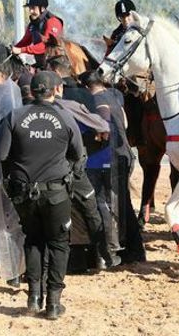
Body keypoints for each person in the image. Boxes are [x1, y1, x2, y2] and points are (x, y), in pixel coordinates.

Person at [0, 71, 84, 320]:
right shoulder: (65, 117)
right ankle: (54, 303)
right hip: (56, 192)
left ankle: (34, 296)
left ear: (31, 91)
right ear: (55, 90)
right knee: (58, 244)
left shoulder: (14, 116)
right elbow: (77, 153)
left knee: (33, 240)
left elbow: (1, 155)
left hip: (24, 193)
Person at [48, 55, 120, 269]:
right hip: (85, 162)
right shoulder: (85, 97)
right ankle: (103, 255)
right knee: (92, 209)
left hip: (63, 167)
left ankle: (82, 259)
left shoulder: (61, 103)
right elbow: (104, 128)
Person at [81, 70, 145, 263]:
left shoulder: (97, 101)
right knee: (123, 204)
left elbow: (104, 124)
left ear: (86, 87)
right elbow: (124, 123)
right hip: (124, 154)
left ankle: (126, 249)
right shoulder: (115, 95)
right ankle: (133, 249)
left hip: (111, 157)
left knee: (109, 204)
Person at [12, 0, 64, 68]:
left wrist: (20, 50)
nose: (30, 11)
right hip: (42, 64)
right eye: (29, 8)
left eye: (33, 8)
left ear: (42, 8)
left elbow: (46, 46)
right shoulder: (32, 25)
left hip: (56, 66)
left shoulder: (53, 22)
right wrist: (13, 49)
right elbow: (25, 41)